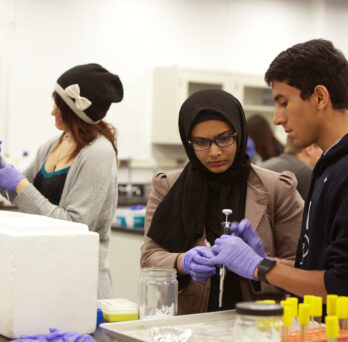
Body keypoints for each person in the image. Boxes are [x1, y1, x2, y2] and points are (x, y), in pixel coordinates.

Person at [140, 88, 303, 315]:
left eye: (224, 139)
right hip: (190, 320)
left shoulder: (277, 188)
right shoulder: (168, 186)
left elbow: (304, 270)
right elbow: (149, 258)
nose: (214, 151)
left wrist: (261, 262)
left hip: (259, 321)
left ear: (240, 132)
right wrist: (182, 262)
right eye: (201, 142)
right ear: (188, 143)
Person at [209, 38, 348, 301]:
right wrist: (266, 261)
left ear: (319, 97)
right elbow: (317, 269)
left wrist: (261, 267)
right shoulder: (329, 165)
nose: (277, 118)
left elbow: (340, 285)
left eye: (283, 102)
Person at [0, 63, 124, 299]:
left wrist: (19, 185)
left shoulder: (98, 152)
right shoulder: (53, 144)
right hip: (46, 272)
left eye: (58, 103)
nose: (52, 111)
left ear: (74, 109)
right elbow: (19, 194)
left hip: (80, 283)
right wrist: (3, 173)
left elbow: (76, 225)